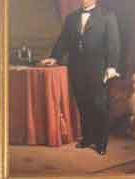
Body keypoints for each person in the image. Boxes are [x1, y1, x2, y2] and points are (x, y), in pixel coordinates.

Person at [40, 0, 120, 155]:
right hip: (76, 67)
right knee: (83, 104)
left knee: (99, 105)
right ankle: (88, 138)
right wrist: (54, 57)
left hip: (98, 68)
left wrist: (111, 67)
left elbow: (113, 43)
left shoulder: (107, 16)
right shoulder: (72, 17)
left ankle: (101, 142)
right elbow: (63, 40)